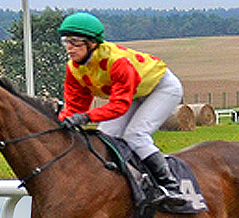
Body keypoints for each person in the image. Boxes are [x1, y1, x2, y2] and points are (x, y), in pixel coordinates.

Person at [58, 11, 187, 206]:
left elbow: (119, 105)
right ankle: (130, 182)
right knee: (105, 137)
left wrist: (86, 117)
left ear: (92, 43)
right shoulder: (74, 68)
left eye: (75, 42)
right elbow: (76, 106)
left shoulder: (117, 62)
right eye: (66, 41)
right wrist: (60, 123)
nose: (69, 48)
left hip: (161, 88)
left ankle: (170, 187)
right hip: (134, 93)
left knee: (136, 135)